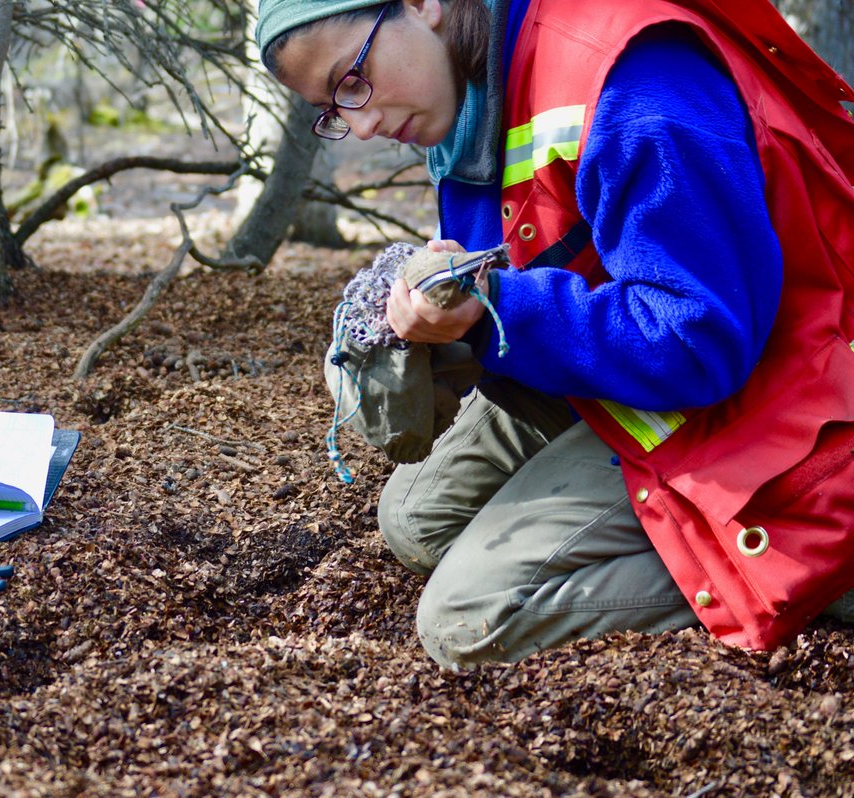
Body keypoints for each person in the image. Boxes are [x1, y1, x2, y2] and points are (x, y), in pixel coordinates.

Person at [254, 0, 854, 667]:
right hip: (631, 377)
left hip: (772, 397)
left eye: (352, 81)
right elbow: (515, 263)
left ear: (421, 6)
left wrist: (496, 308)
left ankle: (808, 562)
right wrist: (440, 324)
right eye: (332, 110)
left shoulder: (630, 80)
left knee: (466, 618)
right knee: (416, 520)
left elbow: (698, 339)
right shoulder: (464, 94)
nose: (361, 124)